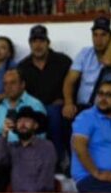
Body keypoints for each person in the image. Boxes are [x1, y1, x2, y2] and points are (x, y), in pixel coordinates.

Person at [17, 25, 72, 160]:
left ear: (48, 43)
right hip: (33, 109)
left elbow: (73, 84)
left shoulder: (63, 61)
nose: (38, 45)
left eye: (41, 41)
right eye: (34, 41)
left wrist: (66, 100)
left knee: (54, 113)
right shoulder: (23, 66)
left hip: (59, 107)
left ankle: (59, 160)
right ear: (30, 44)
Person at [63, 17, 111, 119]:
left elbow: (108, 61)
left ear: (110, 37)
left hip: (107, 109)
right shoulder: (85, 53)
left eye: (103, 35)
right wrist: (68, 103)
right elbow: (69, 81)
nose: (98, 40)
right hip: (84, 107)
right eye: (95, 35)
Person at [0, 106, 57, 192]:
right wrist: (4, 135)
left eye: (27, 120)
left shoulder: (46, 146)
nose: (22, 124)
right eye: (19, 121)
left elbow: (45, 178)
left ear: (35, 125)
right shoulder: (13, 147)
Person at [0, 68, 45, 144]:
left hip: (29, 152)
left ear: (22, 84)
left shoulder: (35, 105)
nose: (8, 87)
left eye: (13, 83)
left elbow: (41, 138)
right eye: (5, 84)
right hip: (4, 153)